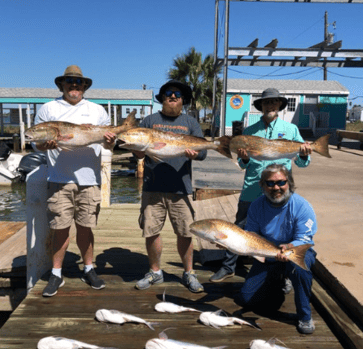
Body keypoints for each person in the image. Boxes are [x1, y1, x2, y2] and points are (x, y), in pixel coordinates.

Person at [210, 87, 312, 287]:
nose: (270, 105)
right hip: (252, 188)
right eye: (266, 102)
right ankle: (229, 266)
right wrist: (245, 158)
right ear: (261, 106)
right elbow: (242, 164)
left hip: (281, 189)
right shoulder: (249, 132)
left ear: (280, 105)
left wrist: (304, 153)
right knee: (239, 227)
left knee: (283, 231)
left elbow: (301, 163)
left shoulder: (291, 130)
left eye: (274, 102)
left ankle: (285, 271)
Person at [34, 65, 112, 297]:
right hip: (59, 179)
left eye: (78, 82)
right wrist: (43, 144)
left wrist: (110, 139)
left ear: (85, 86)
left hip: (90, 180)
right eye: (69, 81)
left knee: (86, 227)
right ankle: (56, 274)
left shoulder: (97, 111)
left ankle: (89, 269)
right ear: (62, 85)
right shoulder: (48, 109)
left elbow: (108, 144)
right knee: (60, 228)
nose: (74, 85)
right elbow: (36, 142)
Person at [129, 80, 207, 293]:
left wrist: (196, 152)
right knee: (151, 231)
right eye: (168, 94)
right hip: (152, 187)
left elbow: (202, 152)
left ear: (183, 100)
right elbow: (139, 152)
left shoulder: (190, 123)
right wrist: (136, 149)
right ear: (162, 98)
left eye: (177, 94)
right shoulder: (149, 120)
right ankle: (155, 271)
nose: (173, 96)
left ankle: (189, 272)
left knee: (185, 232)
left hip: (181, 188)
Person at [236, 164, 317, 334]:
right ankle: (280, 279)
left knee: (300, 269)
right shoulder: (256, 206)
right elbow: (250, 235)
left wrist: (288, 247)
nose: (276, 187)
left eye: (281, 182)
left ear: (289, 182)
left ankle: (304, 315)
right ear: (262, 185)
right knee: (246, 299)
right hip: (268, 253)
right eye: (270, 183)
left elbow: (304, 238)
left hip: (297, 250)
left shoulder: (302, 206)